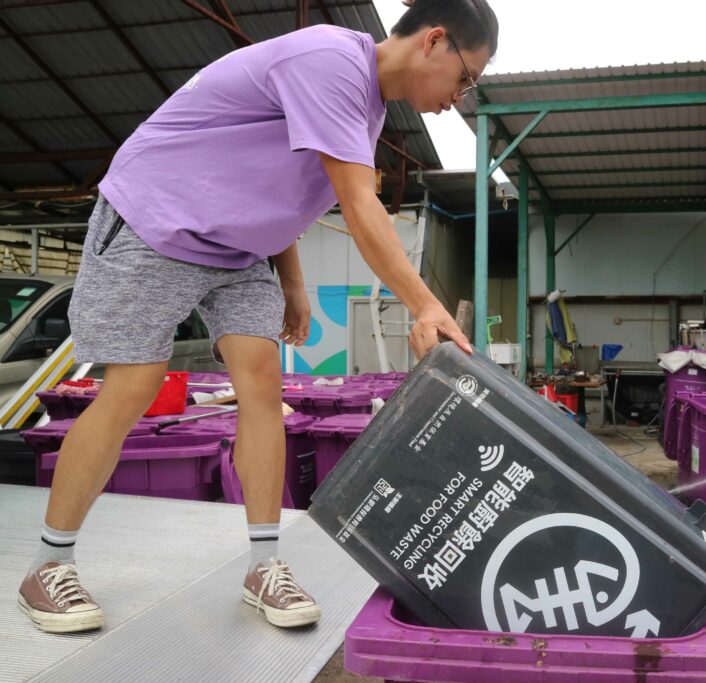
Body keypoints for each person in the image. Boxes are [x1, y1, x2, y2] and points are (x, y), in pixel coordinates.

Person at [17, 0, 497, 634]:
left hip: (238, 250)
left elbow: (279, 190)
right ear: (434, 41)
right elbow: (357, 203)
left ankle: (263, 565)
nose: (460, 97)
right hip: (157, 219)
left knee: (263, 387)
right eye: (466, 78)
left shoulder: (367, 109)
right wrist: (426, 304)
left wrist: (293, 282)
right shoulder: (329, 61)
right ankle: (48, 566)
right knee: (135, 385)